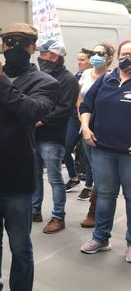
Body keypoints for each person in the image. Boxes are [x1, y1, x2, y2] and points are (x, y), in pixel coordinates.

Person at [0, 23, 59, 291]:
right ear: (2, 45)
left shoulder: (46, 83)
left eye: (22, 41)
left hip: (16, 180)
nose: (14, 46)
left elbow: (30, 111)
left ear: (33, 46)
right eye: (9, 41)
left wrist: (0, 79)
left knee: (20, 245)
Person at [79, 39, 131, 262]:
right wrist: (85, 127)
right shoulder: (105, 79)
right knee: (105, 196)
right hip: (102, 149)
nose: (126, 58)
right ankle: (101, 238)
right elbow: (86, 106)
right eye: (124, 53)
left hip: (128, 153)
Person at [32, 40, 79, 233]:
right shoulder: (38, 75)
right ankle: (35, 210)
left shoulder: (68, 80)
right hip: (33, 135)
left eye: (44, 54)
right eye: (41, 54)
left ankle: (58, 216)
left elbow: (65, 109)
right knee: (33, 177)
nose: (41, 57)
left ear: (54, 57)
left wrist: (40, 120)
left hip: (52, 137)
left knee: (54, 178)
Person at [77, 43, 115, 228]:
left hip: (101, 131)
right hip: (85, 127)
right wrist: (83, 122)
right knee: (92, 167)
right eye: (93, 53)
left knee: (100, 172)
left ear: (109, 57)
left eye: (100, 53)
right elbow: (81, 99)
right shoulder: (86, 73)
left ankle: (94, 211)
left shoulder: (112, 77)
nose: (95, 56)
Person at [63, 49, 92, 190]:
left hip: (89, 119)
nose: (78, 63)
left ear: (90, 62)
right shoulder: (77, 76)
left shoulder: (96, 78)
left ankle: (89, 186)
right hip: (75, 118)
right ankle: (74, 178)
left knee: (87, 156)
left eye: (82, 60)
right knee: (65, 149)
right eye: (78, 59)